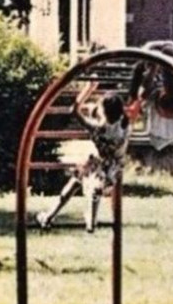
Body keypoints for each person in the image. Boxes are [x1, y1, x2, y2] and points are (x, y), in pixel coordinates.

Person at [38, 83, 132, 232]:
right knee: (90, 188)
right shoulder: (125, 125)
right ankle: (58, 217)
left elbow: (74, 111)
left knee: (76, 186)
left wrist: (87, 90)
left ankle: (56, 216)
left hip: (97, 164)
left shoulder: (97, 128)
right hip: (114, 166)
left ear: (104, 111)